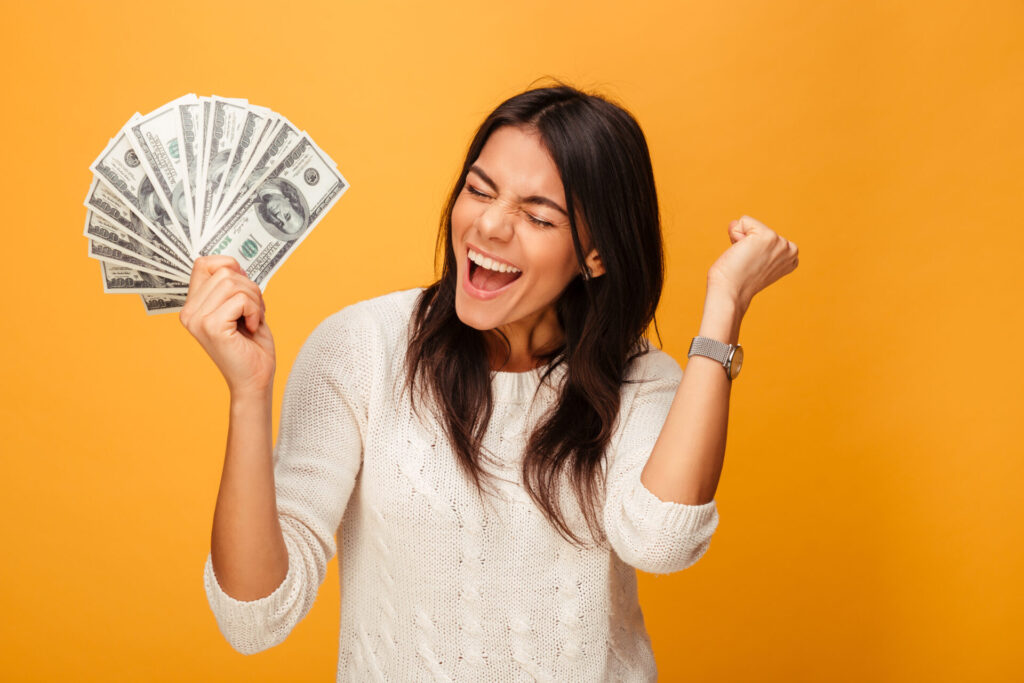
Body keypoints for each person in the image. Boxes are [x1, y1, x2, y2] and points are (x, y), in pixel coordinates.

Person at [179, 84, 799, 681]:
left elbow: (663, 542)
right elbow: (254, 617)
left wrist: (725, 304)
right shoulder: (361, 349)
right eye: (480, 190)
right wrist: (248, 393)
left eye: (538, 215)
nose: (491, 227)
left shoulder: (639, 382)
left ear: (596, 255)